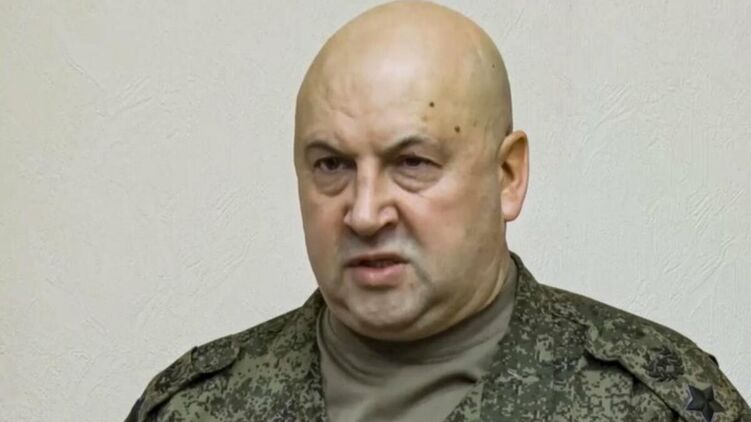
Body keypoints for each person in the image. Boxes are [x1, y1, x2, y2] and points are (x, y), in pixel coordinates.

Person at [126, 2, 749, 421]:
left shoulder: (661, 405)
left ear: (507, 177)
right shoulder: (193, 408)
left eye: (412, 162)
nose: (365, 213)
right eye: (332, 165)